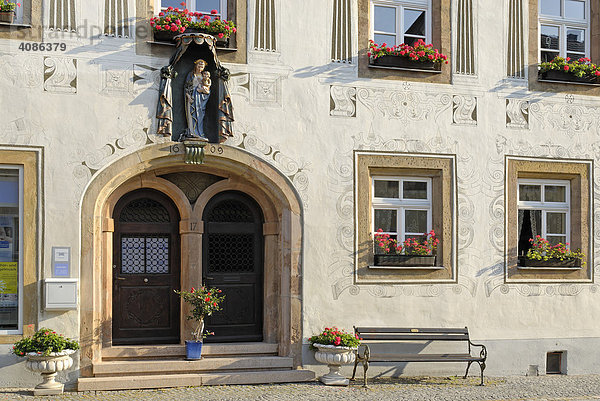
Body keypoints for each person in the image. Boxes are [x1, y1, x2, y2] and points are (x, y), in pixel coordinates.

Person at [183, 59, 211, 140]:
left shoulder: (204, 77)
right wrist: (188, 97)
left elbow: (208, 89)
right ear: (196, 66)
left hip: (201, 101)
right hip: (192, 98)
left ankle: (200, 134)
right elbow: (186, 87)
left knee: (200, 116)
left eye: (202, 66)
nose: (200, 67)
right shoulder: (191, 75)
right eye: (199, 65)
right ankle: (192, 132)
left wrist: (205, 91)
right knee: (192, 116)